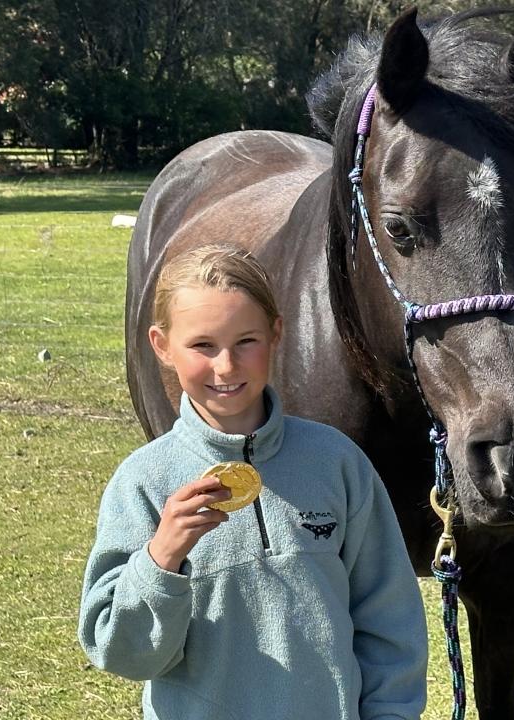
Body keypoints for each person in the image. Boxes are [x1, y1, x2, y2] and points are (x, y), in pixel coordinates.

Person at [78, 244, 427, 720]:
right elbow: (124, 655)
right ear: (162, 346)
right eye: (203, 345)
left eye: (246, 341)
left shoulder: (337, 462)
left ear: (276, 334)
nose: (226, 366)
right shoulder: (142, 482)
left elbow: (390, 619)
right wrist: (161, 560)